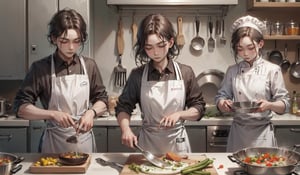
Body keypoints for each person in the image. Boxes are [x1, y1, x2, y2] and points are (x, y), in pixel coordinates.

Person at [14, 8, 108, 153]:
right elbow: (21, 108)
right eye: (65, 41)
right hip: (53, 143)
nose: (71, 47)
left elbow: (102, 100)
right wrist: (52, 114)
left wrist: (91, 113)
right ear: (53, 38)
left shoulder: (89, 66)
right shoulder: (40, 68)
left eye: (76, 41)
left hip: (84, 143)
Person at [115, 14, 206, 156]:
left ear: (170, 42)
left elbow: (199, 108)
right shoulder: (137, 75)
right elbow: (123, 107)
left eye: (161, 45)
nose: (155, 52)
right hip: (148, 146)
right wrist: (125, 129)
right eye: (149, 47)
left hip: (178, 145)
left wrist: (180, 114)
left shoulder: (185, 72)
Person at [215, 15, 290, 152]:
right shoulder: (232, 71)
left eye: (250, 47)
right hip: (238, 132)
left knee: (263, 168)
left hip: (263, 133)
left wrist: (270, 105)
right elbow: (221, 97)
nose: (245, 53)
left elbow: (284, 105)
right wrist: (223, 104)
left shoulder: (273, 70)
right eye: (240, 49)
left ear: (260, 44)